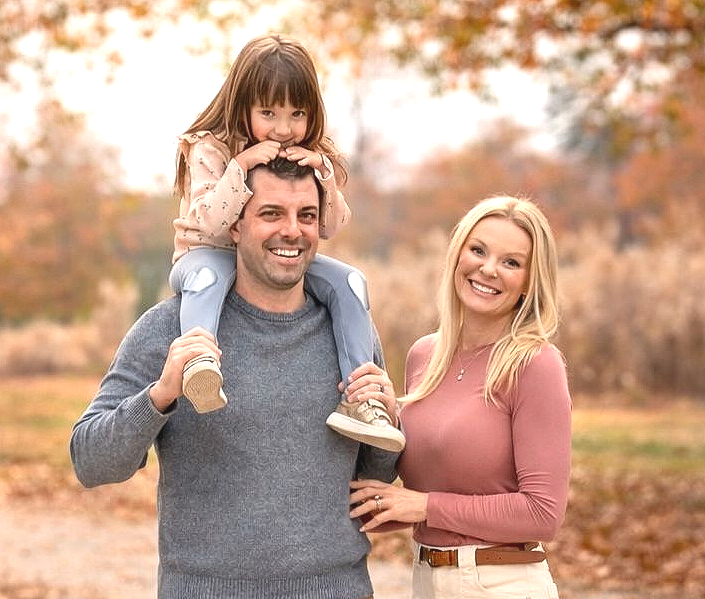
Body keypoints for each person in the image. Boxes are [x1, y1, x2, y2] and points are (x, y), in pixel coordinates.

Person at [70, 158, 400, 599]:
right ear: (235, 226)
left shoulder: (350, 335)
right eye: (270, 214)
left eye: (306, 216)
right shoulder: (172, 328)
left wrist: (389, 424)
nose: (292, 230)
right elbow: (90, 462)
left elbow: (373, 476)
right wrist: (160, 396)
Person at [169, 32, 404, 451]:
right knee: (207, 276)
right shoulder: (211, 149)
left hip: (276, 257)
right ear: (243, 105)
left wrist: (324, 175)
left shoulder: (310, 154)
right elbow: (208, 224)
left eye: (297, 114)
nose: (283, 130)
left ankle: (360, 396)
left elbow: (330, 226)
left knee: (349, 281)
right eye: (269, 113)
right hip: (204, 255)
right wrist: (239, 168)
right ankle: (200, 362)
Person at [350, 196, 572, 598]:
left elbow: (543, 513)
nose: (488, 269)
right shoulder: (424, 356)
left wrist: (424, 506)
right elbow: (417, 493)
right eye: (478, 250)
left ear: (529, 282)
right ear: (457, 255)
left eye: (511, 262)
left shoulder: (535, 365)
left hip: (502, 584)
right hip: (428, 578)